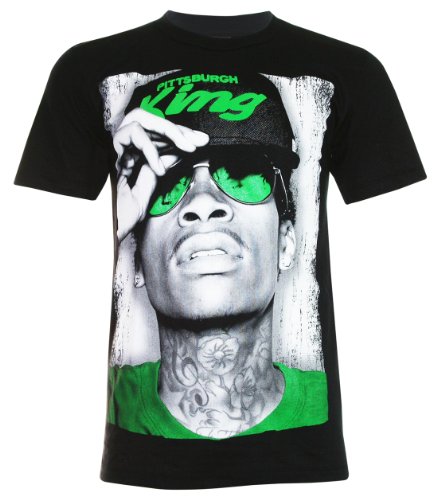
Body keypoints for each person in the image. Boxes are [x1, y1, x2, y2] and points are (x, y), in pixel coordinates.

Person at [107, 70, 328, 440]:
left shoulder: (347, 408)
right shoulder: (86, 400)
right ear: (137, 261)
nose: (203, 203)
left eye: (242, 175)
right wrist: (104, 225)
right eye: (167, 183)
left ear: (285, 245)